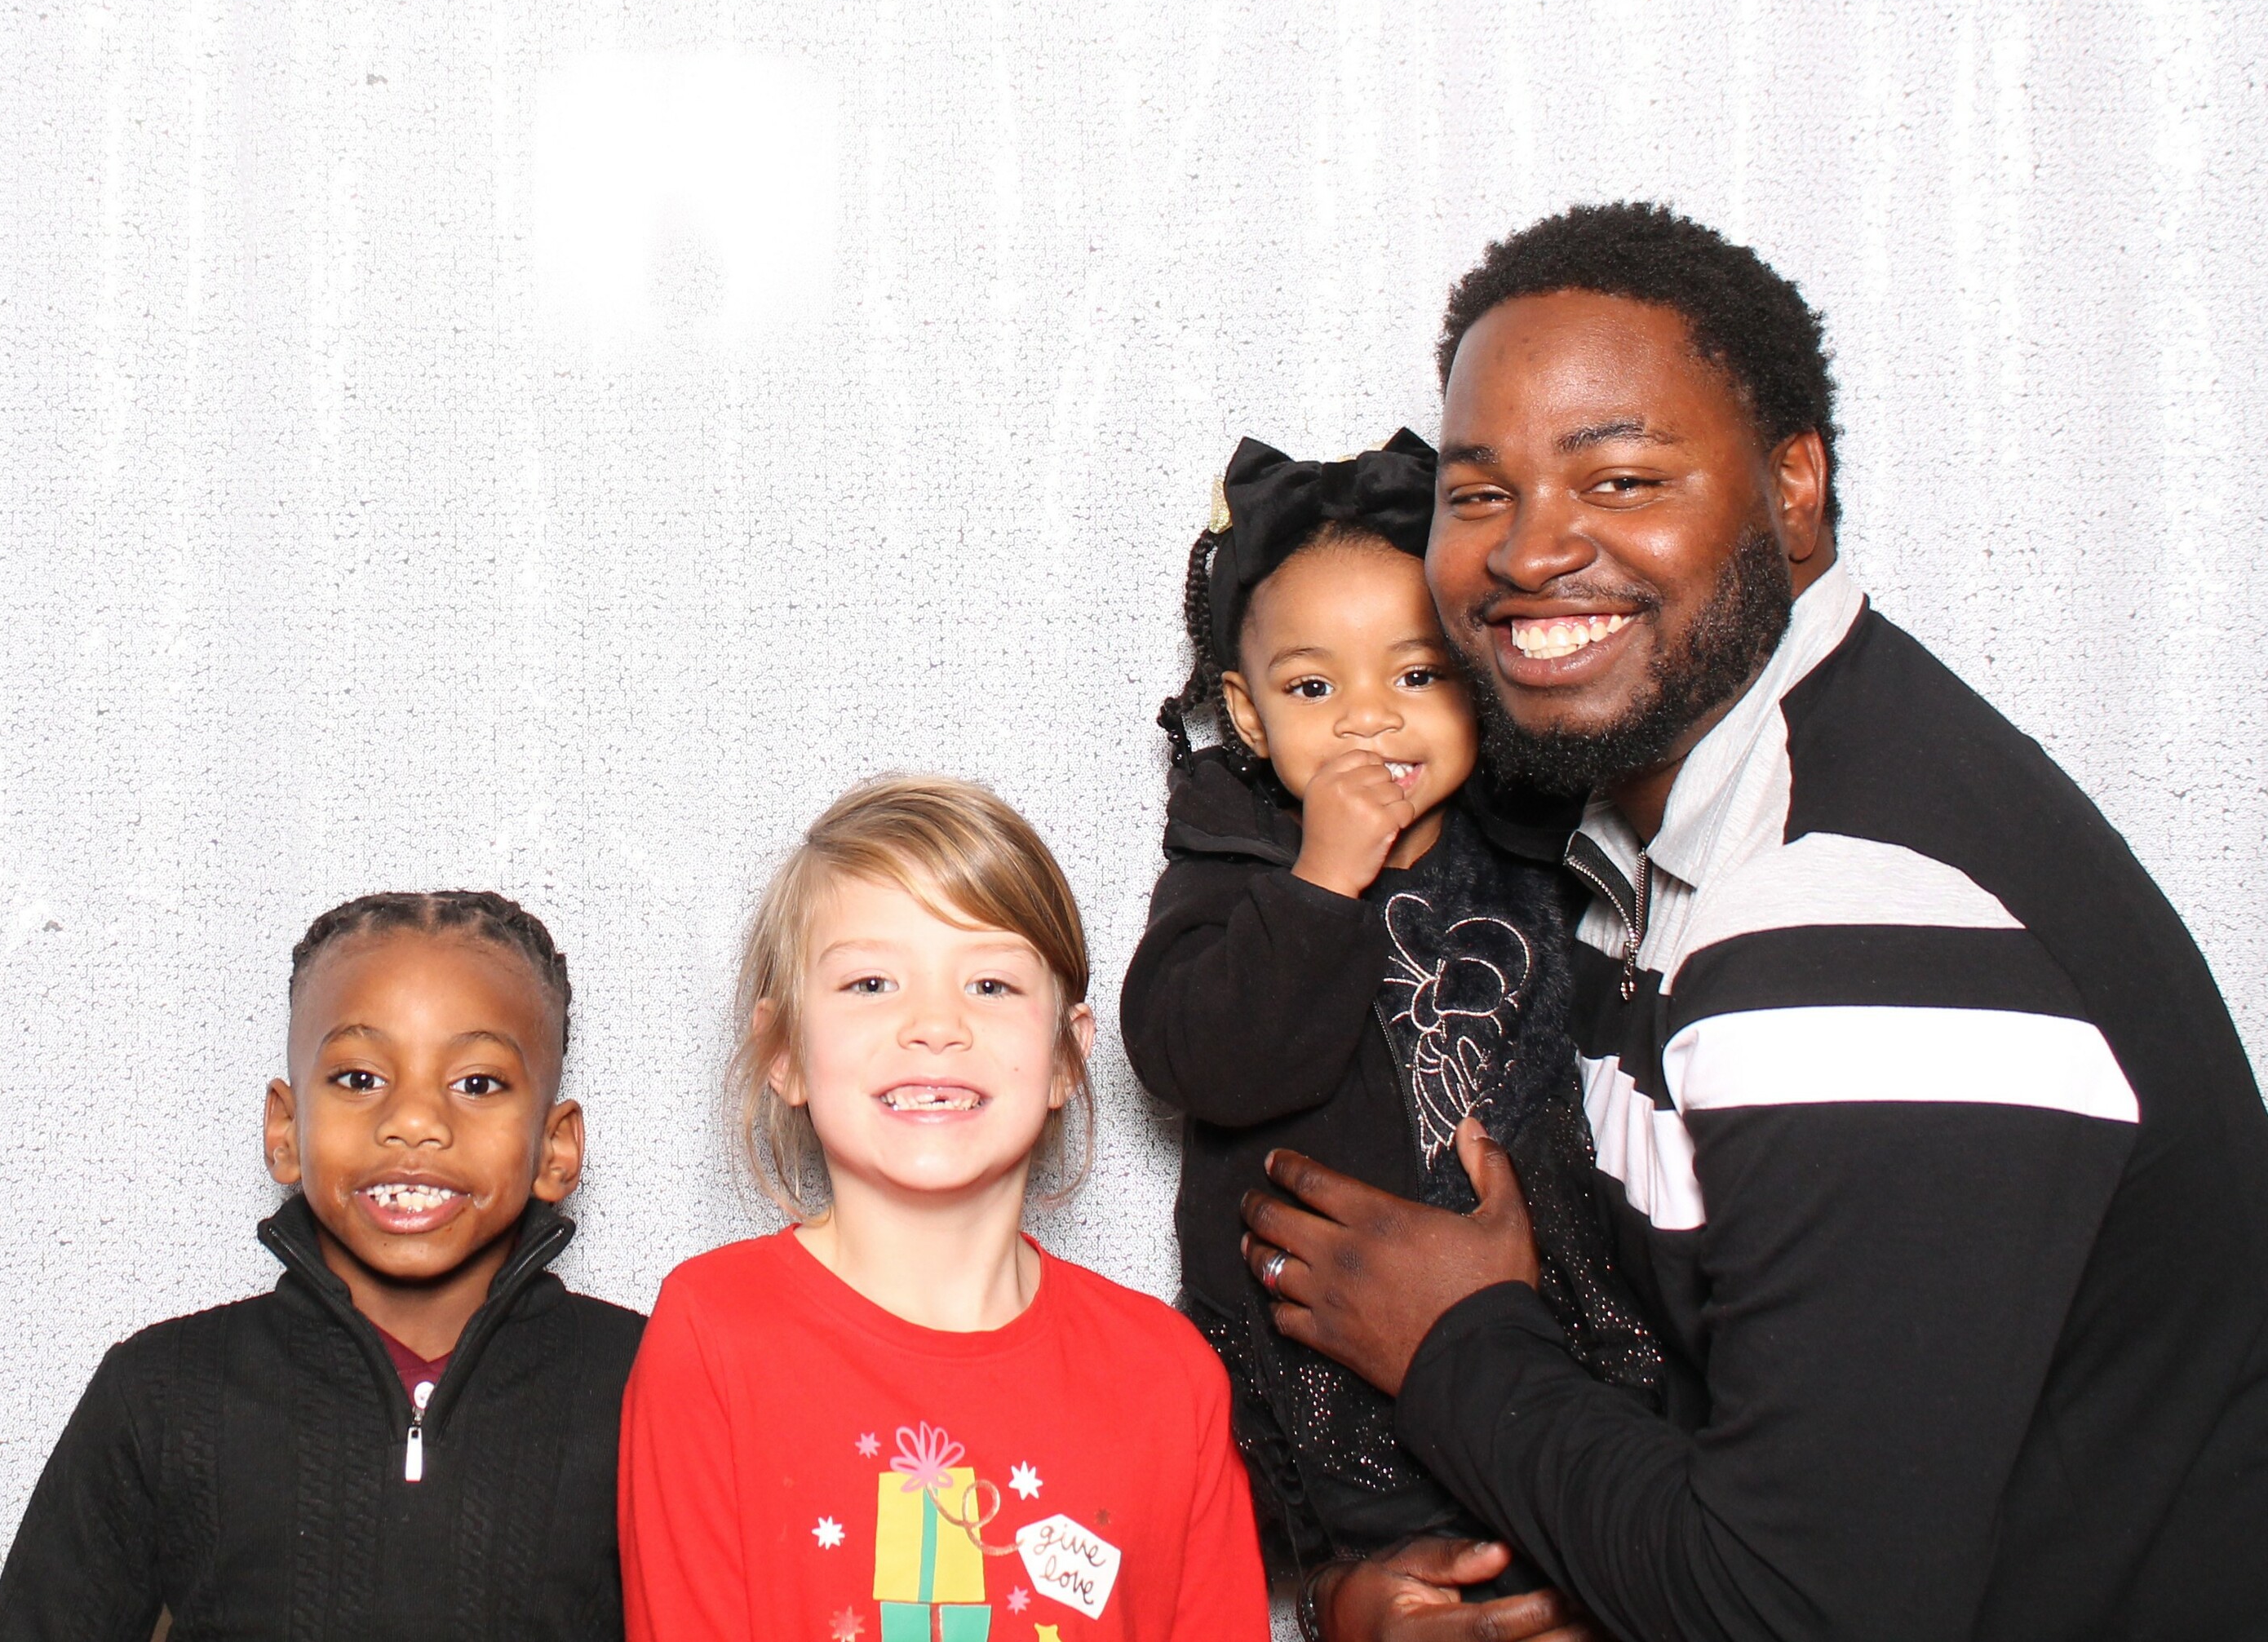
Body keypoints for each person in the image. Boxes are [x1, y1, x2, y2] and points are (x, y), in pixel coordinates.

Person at [1240, 204, 2268, 1642]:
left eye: (1620, 476)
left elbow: (1802, 1606)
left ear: (1794, 488)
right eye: (1478, 494)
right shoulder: (1652, 833)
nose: (1531, 551)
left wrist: (1459, 1345)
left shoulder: (1848, 896)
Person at [1119, 432, 1658, 1616]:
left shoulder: (1543, 851)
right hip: (1318, 1369)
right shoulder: (1233, 866)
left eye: (1416, 676)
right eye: (1314, 689)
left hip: (1554, 1335)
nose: (1370, 721)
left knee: (1585, 1565)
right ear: (1247, 716)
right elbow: (1194, 1058)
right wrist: (1321, 883)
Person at [619, 774, 1267, 1642]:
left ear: (1066, 1057)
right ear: (785, 1054)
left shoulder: (1168, 1377)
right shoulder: (713, 1333)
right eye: (871, 982)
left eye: (990, 985)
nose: (934, 1024)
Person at [0, 891, 645, 1641]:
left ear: (557, 1148)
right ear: (285, 1129)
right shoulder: (161, 1394)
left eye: (477, 1082)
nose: (414, 1122)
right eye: (360, 1078)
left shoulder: (649, 1387)